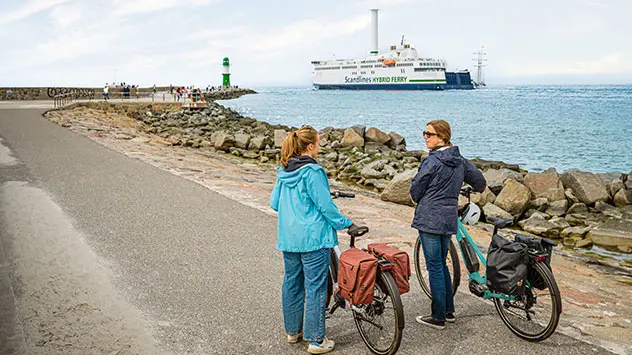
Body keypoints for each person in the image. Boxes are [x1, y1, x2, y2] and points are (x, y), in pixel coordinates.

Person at [270, 126, 358, 354]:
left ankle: (293, 332)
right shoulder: (312, 171)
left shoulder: (284, 170)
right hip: (313, 238)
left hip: (289, 238)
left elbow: (274, 204)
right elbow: (325, 206)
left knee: (292, 283)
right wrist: (346, 223)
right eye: (318, 143)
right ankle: (316, 340)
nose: (319, 147)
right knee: (315, 288)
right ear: (310, 146)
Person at [410, 119, 486, 330]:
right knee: (441, 264)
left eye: (429, 134)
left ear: (442, 137)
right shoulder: (459, 159)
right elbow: (480, 183)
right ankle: (449, 311)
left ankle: (438, 317)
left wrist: (419, 195)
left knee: (434, 266)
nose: (425, 137)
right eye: (424, 133)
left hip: (430, 218)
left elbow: (416, 189)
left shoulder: (432, 161)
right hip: (448, 217)